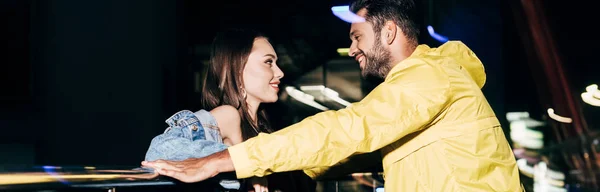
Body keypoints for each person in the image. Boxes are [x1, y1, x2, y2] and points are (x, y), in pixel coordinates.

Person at [142, 0, 524, 191]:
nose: (353, 49)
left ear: (388, 33)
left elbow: (349, 129)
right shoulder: (431, 81)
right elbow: (354, 150)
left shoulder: (428, 78)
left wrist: (223, 161)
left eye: (357, 38)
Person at [143, 28, 283, 192]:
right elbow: (159, 152)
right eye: (268, 62)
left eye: (276, 63)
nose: (280, 72)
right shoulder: (228, 115)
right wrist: (243, 163)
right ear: (237, 69)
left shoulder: (263, 128)